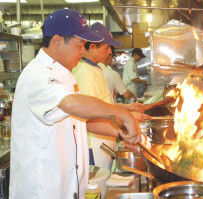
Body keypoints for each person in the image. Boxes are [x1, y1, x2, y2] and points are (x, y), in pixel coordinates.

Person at [10, 9, 141, 199]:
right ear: (57, 40)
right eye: (80, 44)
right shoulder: (38, 75)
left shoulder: (64, 74)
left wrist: (120, 134)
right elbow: (71, 105)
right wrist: (121, 114)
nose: (83, 50)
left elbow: (79, 120)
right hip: (43, 189)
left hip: (66, 185)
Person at [72, 22, 151, 169]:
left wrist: (128, 108)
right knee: (97, 189)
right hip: (94, 146)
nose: (110, 52)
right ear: (93, 46)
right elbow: (88, 119)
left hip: (104, 142)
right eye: (107, 47)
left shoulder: (96, 68)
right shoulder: (85, 73)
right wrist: (124, 128)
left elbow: (103, 106)